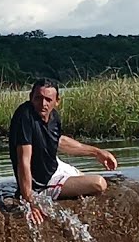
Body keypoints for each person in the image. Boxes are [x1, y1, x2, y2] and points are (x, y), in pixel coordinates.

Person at [9, 78, 118, 225]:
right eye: (38, 98)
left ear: (57, 101)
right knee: (98, 183)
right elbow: (24, 160)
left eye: (48, 99)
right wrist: (30, 199)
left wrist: (97, 152)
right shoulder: (24, 116)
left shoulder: (54, 116)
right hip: (43, 183)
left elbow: (59, 141)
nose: (43, 104)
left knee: (96, 180)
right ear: (30, 97)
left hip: (55, 167)